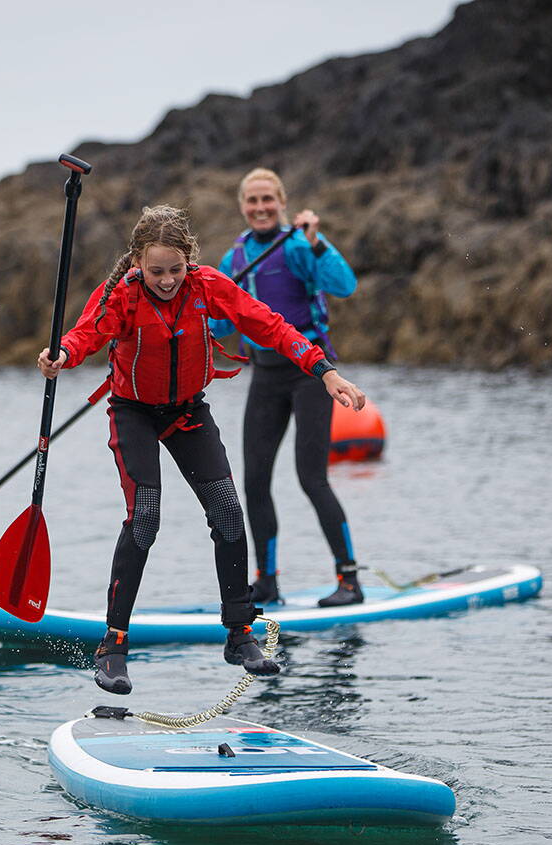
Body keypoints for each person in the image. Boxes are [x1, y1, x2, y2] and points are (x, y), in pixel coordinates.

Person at [38, 205, 367, 695]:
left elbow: (270, 325)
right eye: (156, 271)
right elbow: (88, 333)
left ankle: (239, 632)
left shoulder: (207, 284)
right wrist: (61, 353)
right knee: (146, 517)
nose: (167, 280)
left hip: (188, 412)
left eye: (175, 270)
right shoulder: (122, 294)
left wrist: (325, 371)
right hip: (133, 413)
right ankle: (112, 647)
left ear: (188, 262)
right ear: (137, 263)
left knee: (229, 515)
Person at [210, 168, 364, 607]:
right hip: (265, 375)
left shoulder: (298, 245)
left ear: (281, 202)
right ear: (242, 206)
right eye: (252, 201)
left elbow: (344, 285)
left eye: (268, 200)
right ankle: (267, 581)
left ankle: (350, 581)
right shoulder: (234, 261)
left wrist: (317, 242)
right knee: (255, 482)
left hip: (310, 373)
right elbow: (220, 322)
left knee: (311, 478)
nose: (260, 208)